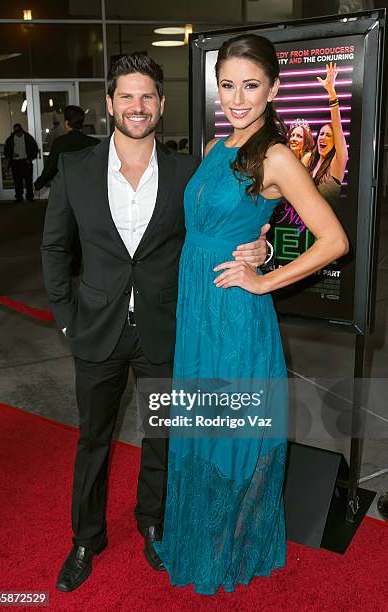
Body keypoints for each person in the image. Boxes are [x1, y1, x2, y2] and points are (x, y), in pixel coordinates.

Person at [41, 52, 269, 593]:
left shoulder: (192, 171)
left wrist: (258, 252)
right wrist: (68, 322)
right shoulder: (75, 170)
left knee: (161, 438)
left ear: (161, 105)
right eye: (127, 96)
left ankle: (153, 524)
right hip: (96, 333)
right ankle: (86, 538)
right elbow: (55, 247)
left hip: (168, 334)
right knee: (93, 440)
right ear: (109, 104)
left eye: (147, 97)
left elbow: (230, 220)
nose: (137, 106)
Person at [153, 33, 349, 595]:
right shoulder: (220, 146)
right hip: (198, 310)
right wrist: (256, 243)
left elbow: (333, 240)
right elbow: (224, 224)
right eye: (228, 85)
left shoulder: (278, 155)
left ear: (273, 88)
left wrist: (263, 277)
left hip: (235, 315)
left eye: (250, 85)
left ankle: (228, 546)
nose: (237, 98)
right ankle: (199, 536)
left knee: (232, 429)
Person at [307, 62, 349, 208]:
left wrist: (332, 93)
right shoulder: (311, 161)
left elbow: (337, 127)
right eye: (321, 134)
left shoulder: (337, 163)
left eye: (328, 136)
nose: (323, 137)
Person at [35, 106, 100, 191]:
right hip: (88, 187)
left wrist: (39, 183)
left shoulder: (60, 142)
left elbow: (51, 168)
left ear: (66, 123)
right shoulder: (95, 143)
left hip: (66, 189)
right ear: (81, 123)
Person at [4, 123, 38, 202]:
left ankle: (29, 197)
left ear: (22, 130)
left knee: (28, 181)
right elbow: (6, 152)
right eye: (17, 132)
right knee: (18, 181)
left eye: (19, 131)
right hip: (16, 162)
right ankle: (20, 197)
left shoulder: (27, 138)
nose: (18, 133)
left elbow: (35, 149)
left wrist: (30, 158)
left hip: (25, 161)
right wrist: (12, 155)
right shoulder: (11, 140)